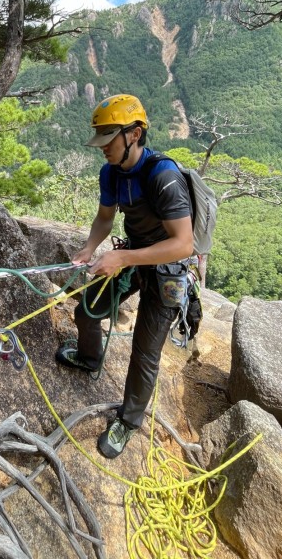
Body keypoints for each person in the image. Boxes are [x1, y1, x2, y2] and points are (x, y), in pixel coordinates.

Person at [56, 94, 194, 459]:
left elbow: (183, 244)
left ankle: (129, 421)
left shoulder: (163, 178)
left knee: (144, 352)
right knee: (87, 311)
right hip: (132, 255)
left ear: (133, 134)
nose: (102, 148)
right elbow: (105, 217)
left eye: (108, 140)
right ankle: (89, 358)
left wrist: (122, 257)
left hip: (166, 269)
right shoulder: (111, 172)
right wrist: (89, 248)